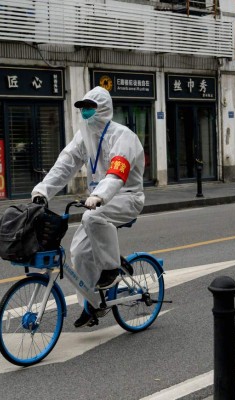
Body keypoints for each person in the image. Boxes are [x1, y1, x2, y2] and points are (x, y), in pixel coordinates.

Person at [31, 86, 145, 328]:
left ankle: (111, 268)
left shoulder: (123, 137)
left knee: (92, 219)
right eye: (82, 108)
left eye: (89, 107)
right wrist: (42, 191)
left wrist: (100, 196)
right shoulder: (84, 137)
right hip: (99, 201)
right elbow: (64, 165)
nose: (84, 112)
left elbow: (117, 173)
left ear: (103, 109)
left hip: (127, 197)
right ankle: (92, 304)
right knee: (79, 253)